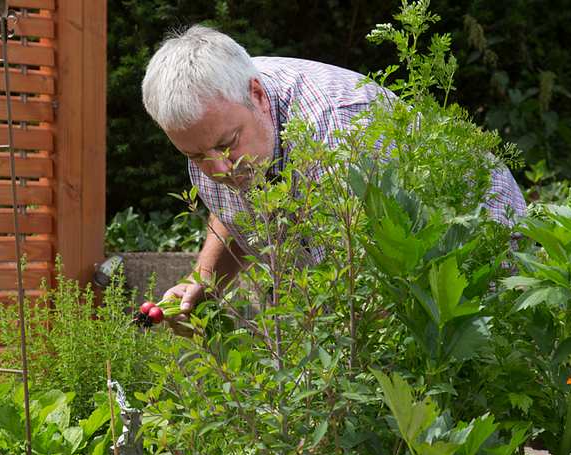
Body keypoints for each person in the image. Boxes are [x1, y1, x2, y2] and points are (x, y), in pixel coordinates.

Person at [140, 24, 526, 325]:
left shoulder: (337, 138)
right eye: (195, 156)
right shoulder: (217, 121)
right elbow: (237, 205)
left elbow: (363, 297)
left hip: (481, 239)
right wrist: (204, 280)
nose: (219, 170)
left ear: (257, 95)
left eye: (227, 145)